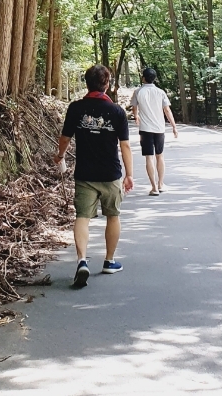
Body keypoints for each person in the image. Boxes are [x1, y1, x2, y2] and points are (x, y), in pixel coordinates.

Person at [54, 63, 133, 287]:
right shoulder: (116, 111)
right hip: (111, 174)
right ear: (107, 84)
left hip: (85, 173)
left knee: (82, 217)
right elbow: (125, 146)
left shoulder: (76, 108)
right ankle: (109, 261)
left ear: (87, 83)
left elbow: (65, 138)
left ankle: (82, 260)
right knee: (113, 216)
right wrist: (129, 174)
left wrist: (60, 155)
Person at [130, 66, 178, 195]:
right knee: (160, 156)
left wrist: (136, 116)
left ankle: (154, 187)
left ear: (143, 78)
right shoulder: (160, 92)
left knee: (149, 158)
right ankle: (161, 184)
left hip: (145, 129)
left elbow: (134, 107)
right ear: (154, 78)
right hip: (159, 128)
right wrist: (174, 126)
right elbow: (167, 110)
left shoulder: (138, 92)